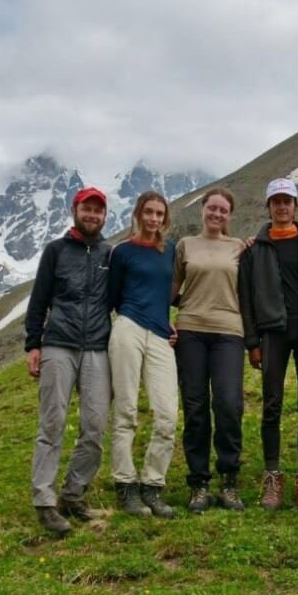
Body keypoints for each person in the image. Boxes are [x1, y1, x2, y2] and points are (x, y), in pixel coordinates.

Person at [24, 186, 114, 536]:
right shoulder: (56, 251)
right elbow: (38, 301)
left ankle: (74, 494)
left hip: (97, 347)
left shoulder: (110, 254)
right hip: (58, 344)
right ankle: (44, 502)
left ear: (105, 216)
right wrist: (34, 345)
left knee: (95, 425)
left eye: (98, 210)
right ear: (75, 210)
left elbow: (124, 298)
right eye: (86, 209)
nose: (92, 215)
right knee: (53, 423)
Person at [239, 177, 298, 511]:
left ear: (296, 206)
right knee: (272, 403)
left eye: (288, 201)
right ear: (269, 207)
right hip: (272, 332)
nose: (282, 207)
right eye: (276, 202)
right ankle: (272, 475)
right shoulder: (254, 250)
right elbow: (246, 297)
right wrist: (251, 343)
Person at [174, 187, 248, 513]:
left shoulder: (239, 248)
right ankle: (199, 483)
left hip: (229, 332)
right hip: (190, 330)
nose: (217, 214)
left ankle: (229, 480)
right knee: (195, 407)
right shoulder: (185, 245)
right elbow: (173, 290)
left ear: (229, 216)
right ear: (202, 210)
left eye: (223, 210)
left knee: (229, 404)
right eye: (212, 208)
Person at [107, 191, 178, 519]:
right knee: (126, 411)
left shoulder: (170, 251)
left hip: (161, 334)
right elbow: (114, 296)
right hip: (129, 328)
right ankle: (126, 485)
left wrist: (168, 324)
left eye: (159, 214)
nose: (153, 218)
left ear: (165, 218)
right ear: (138, 214)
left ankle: (153, 485)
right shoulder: (121, 251)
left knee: (167, 415)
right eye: (148, 212)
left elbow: (173, 293)